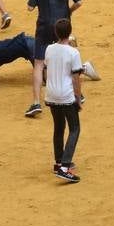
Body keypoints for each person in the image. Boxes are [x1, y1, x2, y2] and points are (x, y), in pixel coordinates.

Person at [25, 0, 82, 117]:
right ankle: (75, 92)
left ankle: (36, 102)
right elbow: (78, 2)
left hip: (43, 26)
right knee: (66, 56)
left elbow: (30, 7)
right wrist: (67, 12)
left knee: (38, 64)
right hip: (61, 25)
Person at [43, 18, 84, 183]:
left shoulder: (49, 49)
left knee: (58, 127)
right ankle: (65, 166)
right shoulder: (74, 52)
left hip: (51, 93)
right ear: (70, 32)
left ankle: (59, 161)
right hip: (66, 95)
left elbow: (46, 71)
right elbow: (76, 78)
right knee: (75, 128)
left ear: (56, 32)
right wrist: (78, 98)